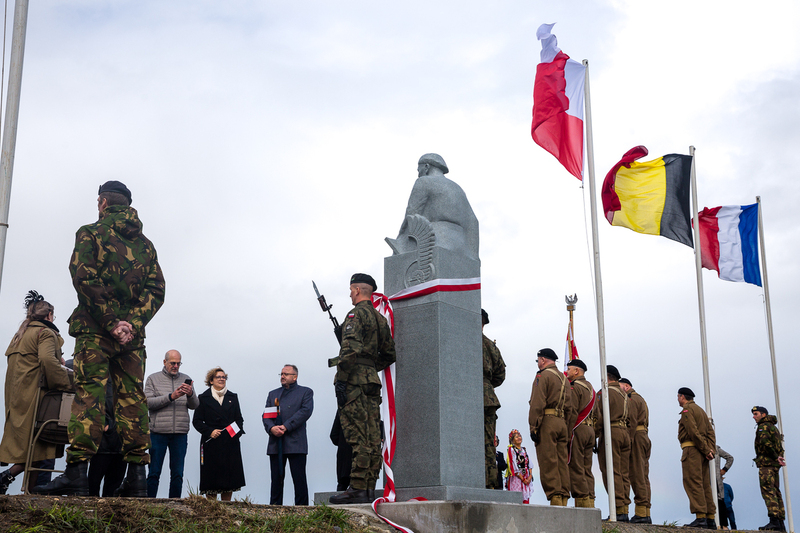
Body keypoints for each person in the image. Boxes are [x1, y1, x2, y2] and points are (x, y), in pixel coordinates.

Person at [32, 181, 166, 497]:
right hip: (132, 340)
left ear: (102, 202)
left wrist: (110, 322)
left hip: (95, 331)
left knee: (89, 397)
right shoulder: (145, 246)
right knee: (132, 399)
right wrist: (131, 324)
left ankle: (77, 474)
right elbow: (156, 290)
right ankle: (136, 478)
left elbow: (83, 278)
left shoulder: (91, 234)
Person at [329, 274, 396, 505]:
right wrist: (369, 368)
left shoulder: (355, 315)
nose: (350, 294)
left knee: (358, 436)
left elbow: (349, 349)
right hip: (371, 383)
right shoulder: (380, 319)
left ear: (357, 290)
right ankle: (367, 488)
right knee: (371, 436)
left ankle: (357, 488)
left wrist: (342, 378)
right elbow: (390, 354)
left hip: (355, 383)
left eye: (351, 290)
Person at [0, 292, 72, 494]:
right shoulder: (46, 333)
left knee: (33, 445)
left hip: (17, 398)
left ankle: (21, 487)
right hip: (37, 397)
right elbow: (48, 361)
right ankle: (21, 486)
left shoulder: (19, 335)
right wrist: (65, 383)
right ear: (49, 315)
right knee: (41, 444)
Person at [386, 153, 480, 260]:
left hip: (433, 242)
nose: (418, 174)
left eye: (418, 170)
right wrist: (474, 255)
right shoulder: (458, 189)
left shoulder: (424, 181)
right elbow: (473, 221)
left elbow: (411, 214)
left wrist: (400, 242)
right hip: (462, 248)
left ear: (426, 166)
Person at [144, 349, 198, 498]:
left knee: (177, 474)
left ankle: (175, 504)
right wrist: (171, 396)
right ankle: (149, 503)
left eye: (178, 363)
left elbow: (195, 405)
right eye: (172, 363)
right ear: (164, 362)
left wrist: (191, 394)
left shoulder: (186, 378)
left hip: (180, 434)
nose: (175, 366)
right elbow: (147, 403)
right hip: (158, 433)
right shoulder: (152, 379)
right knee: (154, 472)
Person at [528, 348, 573, 506]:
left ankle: (555, 498)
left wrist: (533, 426)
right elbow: (570, 408)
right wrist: (566, 427)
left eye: (538, 360)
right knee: (562, 462)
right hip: (562, 423)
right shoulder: (564, 379)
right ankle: (563, 498)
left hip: (547, 421)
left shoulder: (543, 375)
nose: (538, 363)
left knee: (548, 461)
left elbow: (537, 403)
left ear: (543, 360)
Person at [263, 364, 314, 505]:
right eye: (281, 374)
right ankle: (274, 510)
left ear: (295, 377)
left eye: (286, 374)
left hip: (296, 443)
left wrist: (286, 426)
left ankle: (302, 511)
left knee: (299, 479)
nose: (283, 377)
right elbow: (266, 416)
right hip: (276, 443)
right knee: (276, 480)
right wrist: (271, 428)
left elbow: (305, 412)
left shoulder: (306, 392)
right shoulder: (273, 394)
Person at [192, 367, 245, 501]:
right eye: (218, 377)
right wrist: (210, 431)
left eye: (224, 377)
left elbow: (239, 419)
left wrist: (233, 433)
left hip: (230, 442)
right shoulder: (203, 398)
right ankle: (212, 509)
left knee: (229, 478)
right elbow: (197, 421)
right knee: (211, 477)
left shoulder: (233, 397)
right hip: (211, 443)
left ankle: (227, 508)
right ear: (211, 381)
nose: (222, 379)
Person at [594, 365, 631, 521]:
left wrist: (594, 435)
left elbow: (599, 416)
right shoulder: (624, 394)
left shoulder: (605, 393)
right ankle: (624, 509)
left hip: (611, 433)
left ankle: (617, 511)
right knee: (623, 473)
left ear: (607, 377)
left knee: (611, 470)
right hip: (624, 433)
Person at [677, 387, 716, 529]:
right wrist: (710, 450)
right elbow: (710, 432)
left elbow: (692, 431)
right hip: (703, 451)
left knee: (693, 482)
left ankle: (700, 517)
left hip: (692, 450)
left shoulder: (687, 410)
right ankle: (710, 517)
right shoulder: (701, 411)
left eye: (678, 397)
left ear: (682, 397)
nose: (678, 399)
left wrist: (705, 449)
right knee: (705, 484)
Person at [619, 377, 651, 523]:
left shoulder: (631, 399)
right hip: (643, 436)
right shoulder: (641, 399)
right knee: (643, 474)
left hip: (636, 436)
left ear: (626, 386)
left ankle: (641, 513)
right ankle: (645, 511)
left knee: (637, 474)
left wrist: (628, 440)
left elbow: (631, 421)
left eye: (620, 386)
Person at [481, 309, 506, 489]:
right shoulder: (491, 346)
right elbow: (500, 375)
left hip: (469, 395)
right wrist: (487, 386)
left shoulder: (466, 342)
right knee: (489, 442)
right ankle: (490, 483)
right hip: (489, 397)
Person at [566, 359, 596, 508]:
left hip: (578, 428)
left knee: (577, 467)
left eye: (569, 369)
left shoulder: (575, 387)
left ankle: (583, 504)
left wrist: (566, 432)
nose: (567, 372)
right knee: (587, 469)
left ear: (576, 371)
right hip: (590, 430)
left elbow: (572, 412)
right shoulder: (591, 388)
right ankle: (590, 501)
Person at [752, 405, 786, 532]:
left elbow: (765, 443)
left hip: (767, 464)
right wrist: (779, 457)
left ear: (763, 415)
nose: (754, 417)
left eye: (756, 414)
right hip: (775, 465)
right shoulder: (774, 428)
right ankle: (781, 523)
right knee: (776, 491)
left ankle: (774, 521)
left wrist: (774, 456)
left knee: (768, 490)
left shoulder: (763, 427)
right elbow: (780, 447)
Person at [505, 429, 533, 503]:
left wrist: (530, 477)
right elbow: (513, 466)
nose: (519, 438)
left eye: (519, 436)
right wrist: (522, 479)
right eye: (516, 437)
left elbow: (530, 464)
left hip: (526, 477)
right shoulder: (512, 450)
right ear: (512, 440)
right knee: (517, 499)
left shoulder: (524, 450)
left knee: (526, 499)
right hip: (517, 478)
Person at [715, 445, 734, 530]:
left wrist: (724, 469)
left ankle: (724, 526)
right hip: (705, 480)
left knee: (720, 501)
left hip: (716, 481)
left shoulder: (717, 449)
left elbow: (730, 458)